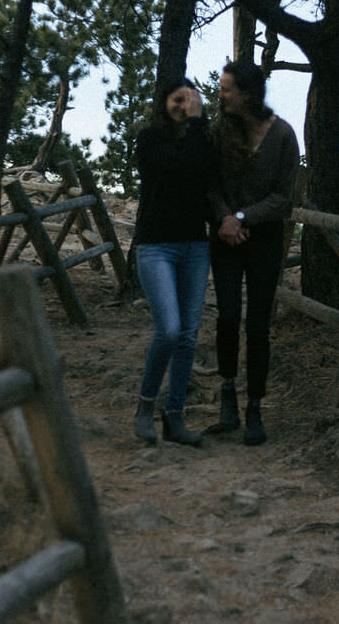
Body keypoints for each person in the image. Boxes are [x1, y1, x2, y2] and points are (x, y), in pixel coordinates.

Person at [206, 60, 300, 446]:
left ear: (246, 93)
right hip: (224, 237)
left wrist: (242, 217)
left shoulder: (283, 135)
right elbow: (209, 183)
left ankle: (255, 408)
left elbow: (283, 197)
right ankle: (228, 392)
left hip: (264, 240)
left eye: (226, 88)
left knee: (258, 324)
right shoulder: (219, 130)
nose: (220, 94)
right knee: (228, 316)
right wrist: (225, 219)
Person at [132, 77, 213, 446]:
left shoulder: (204, 140)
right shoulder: (149, 140)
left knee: (188, 337)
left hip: (195, 246)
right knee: (168, 330)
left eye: (190, 100)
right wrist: (197, 124)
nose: (184, 107)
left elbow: (207, 177)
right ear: (164, 103)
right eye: (177, 100)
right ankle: (144, 408)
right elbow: (179, 169)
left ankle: (175, 417)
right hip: (156, 247)